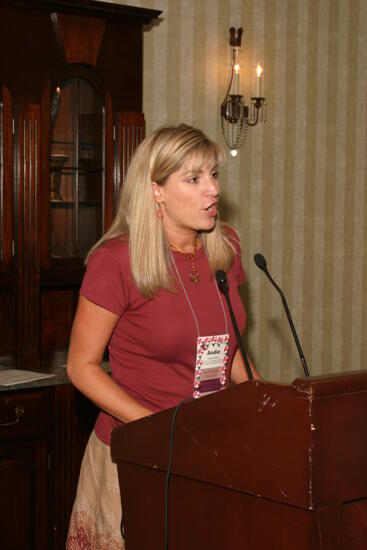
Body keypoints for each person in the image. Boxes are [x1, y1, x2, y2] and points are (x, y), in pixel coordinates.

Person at [65, 124, 258, 549]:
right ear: (156, 191)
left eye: (214, 175)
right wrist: (158, 430)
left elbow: (231, 349)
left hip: (212, 450)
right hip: (136, 454)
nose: (212, 191)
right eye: (194, 179)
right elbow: (80, 367)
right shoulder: (116, 260)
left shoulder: (226, 247)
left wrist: (264, 409)